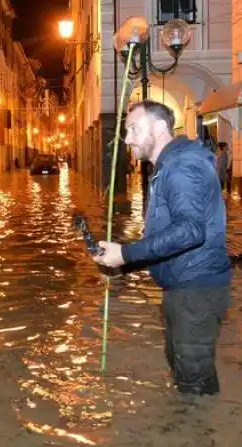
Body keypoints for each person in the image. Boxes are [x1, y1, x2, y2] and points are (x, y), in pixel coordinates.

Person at [92, 100, 233, 396]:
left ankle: (195, 436)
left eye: (133, 129)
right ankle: (191, 434)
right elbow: (174, 234)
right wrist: (123, 263)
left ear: (158, 128)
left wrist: (126, 254)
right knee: (186, 372)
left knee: (193, 385)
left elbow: (190, 231)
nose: (127, 139)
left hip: (196, 290)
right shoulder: (171, 166)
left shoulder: (181, 168)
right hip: (184, 288)